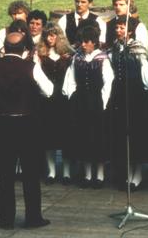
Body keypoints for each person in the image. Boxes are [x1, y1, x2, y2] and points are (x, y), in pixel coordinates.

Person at [0, 32, 53, 229]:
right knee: (30, 174)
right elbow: (49, 90)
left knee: (5, 175)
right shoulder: (31, 67)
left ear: (5, 47)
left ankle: (6, 219)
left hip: (2, 126)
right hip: (27, 125)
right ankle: (33, 217)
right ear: (24, 50)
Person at [62, 25, 114, 189]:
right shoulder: (76, 58)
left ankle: (99, 174)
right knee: (83, 136)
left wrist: (104, 103)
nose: (83, 45)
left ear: (94, 42)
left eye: (86, 42)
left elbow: (108, 82)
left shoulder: (102, 59)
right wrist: (72, 96)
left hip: (97, 101)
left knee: (97, 137)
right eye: (81, 42)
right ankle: (86, 174)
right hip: (80, 101)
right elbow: (70, 80)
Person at [107, 17, 148, 191]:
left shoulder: (137, 48)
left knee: (135, 133)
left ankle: (137, 174)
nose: (118, 30)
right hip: (119, 94)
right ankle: (126, 172)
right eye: (117, 27)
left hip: (134, 93)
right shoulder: (115, 47)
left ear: (130, 31)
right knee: (122, 133)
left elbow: (145, 69)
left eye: (122, 27)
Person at [34, 22, 74, 185]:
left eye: (53, 35)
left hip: (64, 100)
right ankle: (51, 171)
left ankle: (66, 172)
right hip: (46, 100)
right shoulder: (40, 54)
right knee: (48, 138)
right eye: (47, 35)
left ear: (59, 36)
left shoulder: (68, 54)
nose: (50, 38)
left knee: (65, 137)